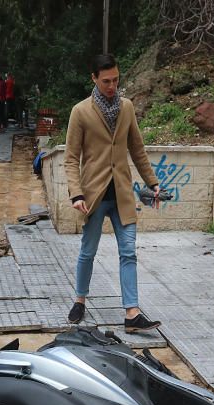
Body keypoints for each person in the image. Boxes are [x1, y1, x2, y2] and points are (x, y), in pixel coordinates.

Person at [64, 53, 162, 334]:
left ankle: (132, 313)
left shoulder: (127, 108)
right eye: (106, 80)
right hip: (93, 197)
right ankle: (80, 299)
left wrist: (153, 182)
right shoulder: (80, 111)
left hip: (121, 194)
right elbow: (71, 158)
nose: (112, 85)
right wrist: (76, 194)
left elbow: (137, 149)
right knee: (88, 252)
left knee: (128, 252)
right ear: (94, 78)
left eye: (116, 79)